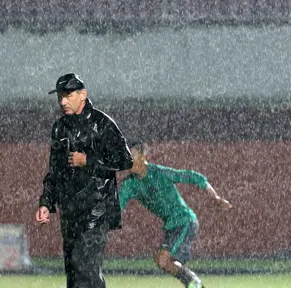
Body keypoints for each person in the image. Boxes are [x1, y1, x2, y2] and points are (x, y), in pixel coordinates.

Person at [35, 73, 133, 288]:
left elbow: (125, 160)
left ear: (83, 94)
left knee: (85, 268)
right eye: (60, 96)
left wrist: (88, 160)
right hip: (70, 212)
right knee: (73, 274)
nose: (62, 101)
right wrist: (46, 203)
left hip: (97, 210)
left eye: (68, 95)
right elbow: (55, 170)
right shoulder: (60, 128)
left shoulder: (102, 123)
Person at [119, 140, 232, 288]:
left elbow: (194, 177)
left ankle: (195, 284)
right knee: (164, 262)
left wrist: (216, 197)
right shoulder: (129, 184)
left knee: (163, 259)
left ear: (141, 156)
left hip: (185, 220)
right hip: (172, 225)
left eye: (130, 155)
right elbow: (117, 206)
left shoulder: (159, 173)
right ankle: (194, 283)